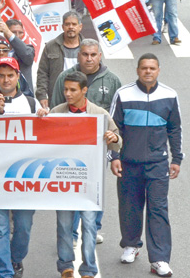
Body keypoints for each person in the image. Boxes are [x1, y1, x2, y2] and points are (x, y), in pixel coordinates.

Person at [109, 54, 183, 277]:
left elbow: (175, 129)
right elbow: (114, 129)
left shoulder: (170, 95)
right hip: (129, 164)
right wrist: (114, 157)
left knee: (158, 209)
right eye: (144, 68)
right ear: (137, 70)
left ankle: (160, 258)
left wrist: (177, 159)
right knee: (129, 205)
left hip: (158, 164)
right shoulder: (123, 94)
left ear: (158, 70)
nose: (148, 71)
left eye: (152, 68)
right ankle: (131, 245)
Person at [51, 71, 122, 278]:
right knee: (64, 225)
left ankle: (89, 268)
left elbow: (119, 140)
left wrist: (112, 136)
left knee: (90, 226)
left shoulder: (100, 114)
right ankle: (66, 266)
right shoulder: (57, 112)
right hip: (63, 178)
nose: (68, 94)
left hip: (91, 181)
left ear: (84, 90)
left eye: (73, 90)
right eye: (65, 89)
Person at [0, 58, 47, 278]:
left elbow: (45, 138)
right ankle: (4, 273)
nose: (6, 79)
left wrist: (43, 119)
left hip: (24, 177)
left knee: (23, 227)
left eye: (10, 75)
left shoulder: (31, 104)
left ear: (18, 77)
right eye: (1, 75)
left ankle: (16, 258)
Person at [49, 39, 121, 111]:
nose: (89, 59)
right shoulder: (64, 77)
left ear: (99, 56)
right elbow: (55, 109)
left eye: (93, 55)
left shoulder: (113, 81)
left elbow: (117, 113)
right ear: (78, 56)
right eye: (85, 54)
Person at [36, 11, 83, 109]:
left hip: (81, 99)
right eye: (67, 24)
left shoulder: (87, 47)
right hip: (56, 97)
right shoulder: (51, 46)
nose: (70, 27)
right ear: (62, 27)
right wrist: (42, 95)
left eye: (74, 24)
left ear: (80, 27)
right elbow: (42, 73)